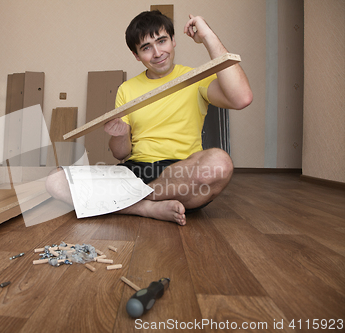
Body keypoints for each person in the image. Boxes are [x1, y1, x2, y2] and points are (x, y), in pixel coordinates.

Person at [46, 11, 252, 225]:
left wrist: (207, 35)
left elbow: (242, 98)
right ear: (136, 55)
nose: (157, 53)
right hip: (134, 172)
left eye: (162, 41)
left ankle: (118, 201)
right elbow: (120, 154)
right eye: (146, 48)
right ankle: (145, 207)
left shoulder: (194, 78)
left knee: (220, 163)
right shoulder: (126, 89)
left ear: (173, 41)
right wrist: (121, 134)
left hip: (180, 173)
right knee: (55, 180)